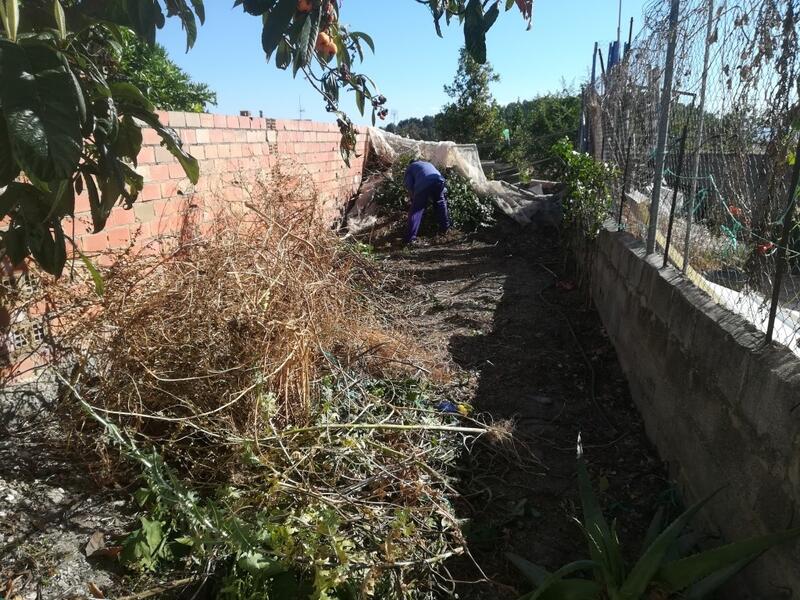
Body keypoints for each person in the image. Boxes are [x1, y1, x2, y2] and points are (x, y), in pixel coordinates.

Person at [403, 159, 450, 244]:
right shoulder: (428, 164)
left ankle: (410, 238)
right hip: (439, 181)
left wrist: (413, 199)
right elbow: (436, 177)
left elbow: (409, 185)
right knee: (440, 204)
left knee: (416, 211)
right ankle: (445, 229)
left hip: (423, 184)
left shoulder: (410, 167)